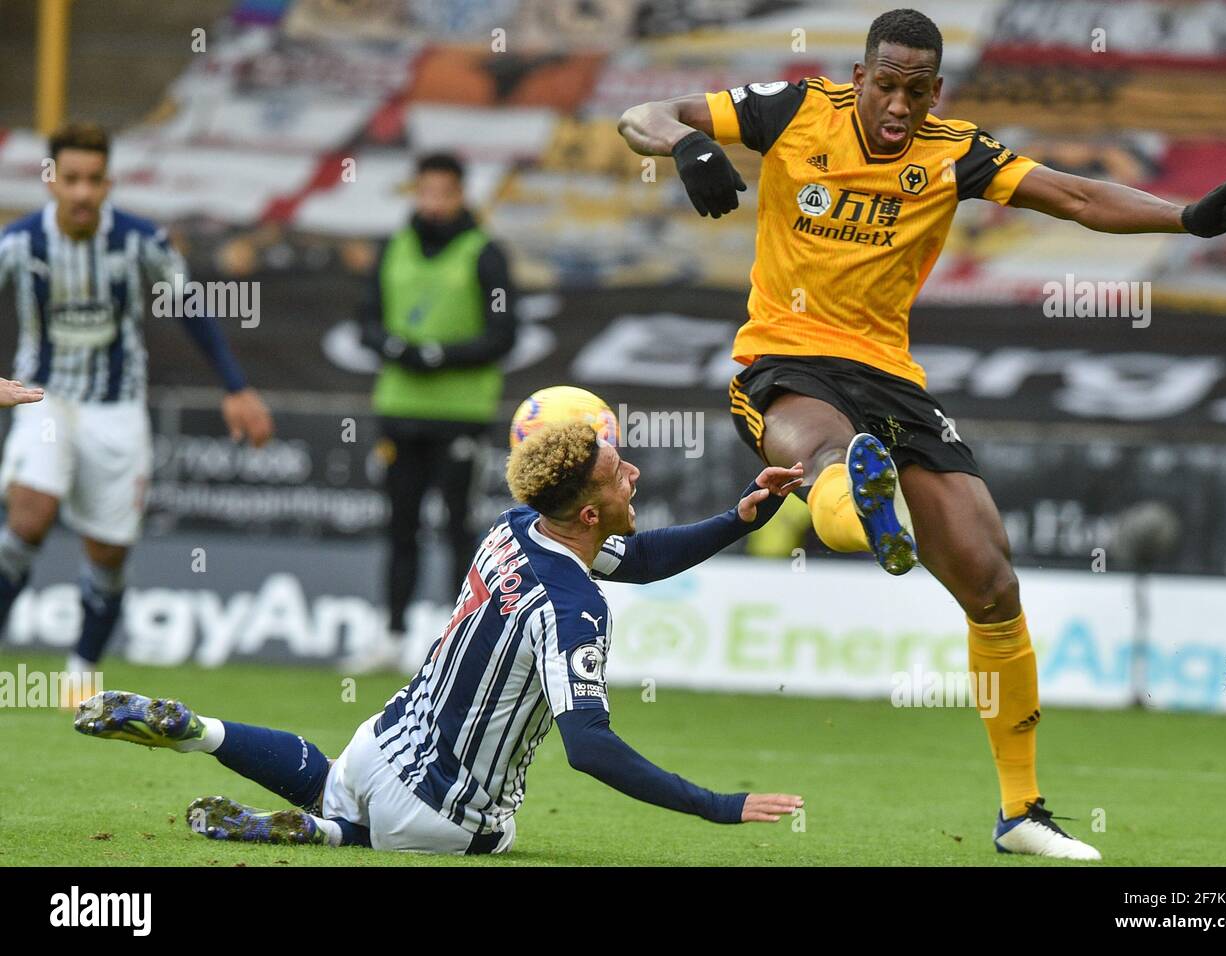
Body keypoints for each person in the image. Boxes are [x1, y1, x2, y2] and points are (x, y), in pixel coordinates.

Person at [617, 7, 1226, 859]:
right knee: (824, 454)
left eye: (916, 90)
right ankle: (860, 505)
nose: (898, 104)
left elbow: (1073, 195)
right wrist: (688, 146)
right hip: (786, 358)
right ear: (861, 74)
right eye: (886, 84)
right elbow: (640, 115)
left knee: (992, 583)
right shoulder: (792, 111)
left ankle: (1022, 811)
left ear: (935, 91)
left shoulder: (955, 151)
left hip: (892, 380)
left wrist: (1185, 219)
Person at [73, 422, 805, 854]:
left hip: (382, 743)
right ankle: (324, 837)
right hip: (448, 813)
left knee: (333, 781)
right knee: (491, 840)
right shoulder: (574, 605)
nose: (634, 475)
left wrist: (740, 518)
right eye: (620, 474)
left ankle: (200, 730)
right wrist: (715, 804)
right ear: (588, 515)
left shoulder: (517, 527)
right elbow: (590, 748)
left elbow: (641, 560)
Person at [0, 123, 273, 702]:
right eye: (70, 179)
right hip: (43, 395)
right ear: (51, 180)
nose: (81, 193)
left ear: (109, 183)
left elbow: (191, 308)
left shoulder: (140, 240)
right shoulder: (19, 243)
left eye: (93, 181)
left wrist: (235, 386)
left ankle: (80, 674)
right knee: (29, 516)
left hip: (117, 408)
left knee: (108, 550)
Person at [352, 152, 519, 673]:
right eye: (425, 191)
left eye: (444, 192)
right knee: (400, 525)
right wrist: (398, 349)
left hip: (460, 413)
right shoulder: (393, 249)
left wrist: (441, 355)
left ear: (461, 194)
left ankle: (459, 640)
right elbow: (366, 322)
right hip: (400, 409)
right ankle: (393, 635)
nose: (433, 202)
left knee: (458, 526)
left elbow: (504, 333)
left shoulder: (484, 253)